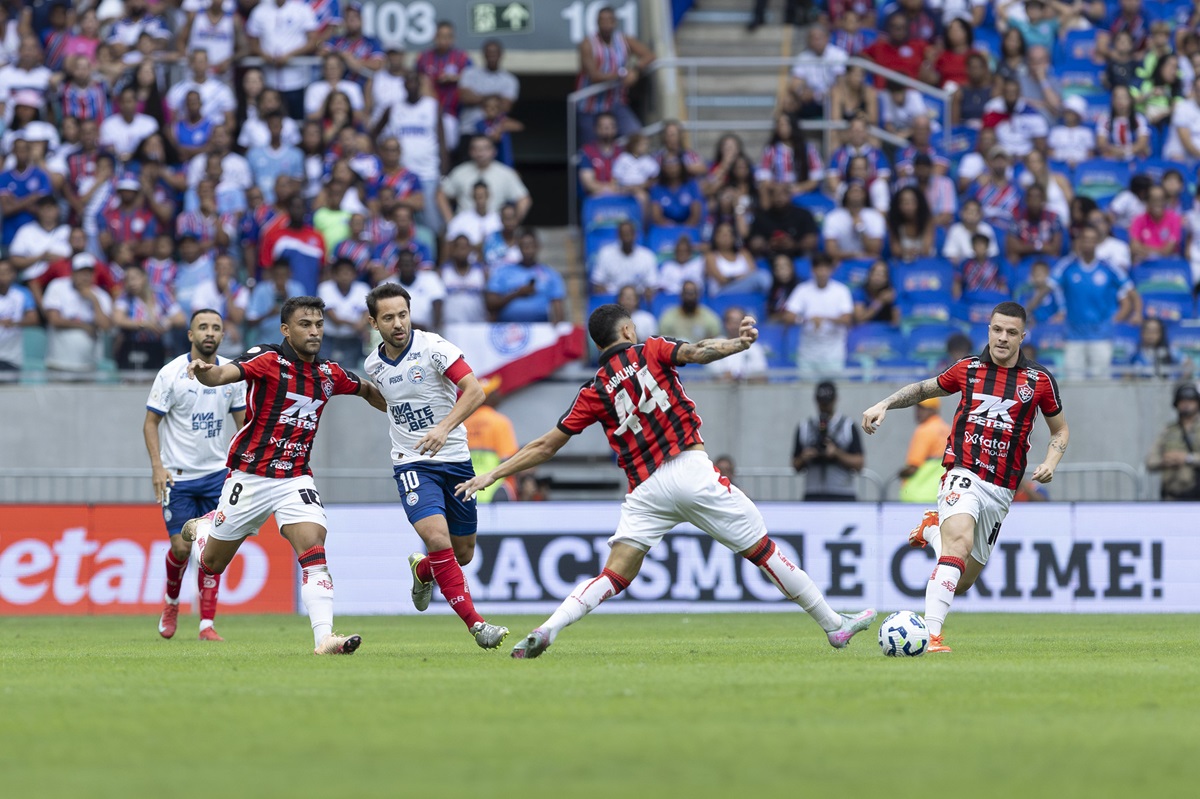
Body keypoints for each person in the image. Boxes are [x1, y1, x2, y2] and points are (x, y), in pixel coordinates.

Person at [454, 304, 876, 658]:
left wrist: (493, 473)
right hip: (690, 469)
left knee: (613, 575)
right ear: (626, 329)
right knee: (764, 551)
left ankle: (548, 629)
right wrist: (739, 345)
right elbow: (699, 351)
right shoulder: (651, 350)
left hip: (646, 491)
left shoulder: (594, 389)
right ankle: (834, 625)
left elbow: (545, 446)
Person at [180, 296, 388, 655]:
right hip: (251, 477)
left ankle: (324, 639)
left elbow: (367, 389)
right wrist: (203, 370)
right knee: (212, 563)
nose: (314, 331)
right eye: (305, 324)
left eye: (319, 324)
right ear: (285, 330)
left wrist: (399, 406)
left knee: (314, 548)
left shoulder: (328, 373)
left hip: (295, 479)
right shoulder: (267, 358)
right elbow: (221, 374)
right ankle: (202, 529)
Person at [862, 301, 1068, 652]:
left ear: (1023, 336)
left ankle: (931, 528)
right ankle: (931, 635)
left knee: (962, 580)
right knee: (958, 544)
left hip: (1002, 489)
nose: (1003, 338)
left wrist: (1051, 461)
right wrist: (884, 403)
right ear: (988, 329)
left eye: (1011, 332)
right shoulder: (968, 369)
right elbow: (923, 389)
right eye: (997, 329)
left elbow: (1060, 431)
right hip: (964, 472)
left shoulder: (1039, 381)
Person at [362, 283, 509, 647]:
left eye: (403, 314)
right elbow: (390, 403)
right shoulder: (373, 364)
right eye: (388, 318)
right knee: (436, 537)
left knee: (463, 553)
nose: (398, 323)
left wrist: (443, 427)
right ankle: (478, 626)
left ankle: (423, 569)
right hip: (411, 461)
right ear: (373, 322)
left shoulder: (435, 348)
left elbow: (474, 391)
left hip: (456, 459)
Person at [144, 310, 247, 642]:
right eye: (203, 327)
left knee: (210, 551)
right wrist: (157, 467)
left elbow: (243, 423)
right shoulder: (171, 373)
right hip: (178, 477)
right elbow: (150, 422)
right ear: (190, 334)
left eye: (216, 328)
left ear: (221, 335)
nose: (210, 333)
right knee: (181, 548)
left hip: (218, 476)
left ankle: (206, 624)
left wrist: (245, 468)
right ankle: (171, 603)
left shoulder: (231, 374)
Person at [1036, 225, 1139, 379]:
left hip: (1101, 336)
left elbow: (1132, 292)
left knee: (1101, 384)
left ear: (1097, 242)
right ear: (1080, 242)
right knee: (1074, 383)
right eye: (1085, 240)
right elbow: (1046, 289)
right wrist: (1026, 311)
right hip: (1073, 336)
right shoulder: (1067, 266)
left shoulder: (1109, 267)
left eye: (1092, 240)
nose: (1088, 244)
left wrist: (1136, 312)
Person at [575, 6, 656, 143]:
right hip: (589, 105)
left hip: (615, 102)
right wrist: (623, 73)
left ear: (615, 22)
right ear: (597, 23)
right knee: (591, 147)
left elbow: (649, 55)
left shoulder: (624, 40)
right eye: (602, 20)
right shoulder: (587, 44)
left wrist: (635, 69)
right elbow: (595, 76)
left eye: (609, 20)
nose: (606, 24)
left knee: (636, 137)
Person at [782, 253, 854, 376]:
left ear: (831, 270)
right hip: (808, 352)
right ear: (813, 270)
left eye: (825, 268)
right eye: (819, 268)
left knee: (834, 390)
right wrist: (806, 320)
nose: (822, 272)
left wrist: (823, 319)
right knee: (806, 391)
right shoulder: (802, 290)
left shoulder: (841, 291)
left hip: (833, 352)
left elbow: (847, 319)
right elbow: (788, 316)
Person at [43, 253, 112, 376]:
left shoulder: (101, 295)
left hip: (88, 366)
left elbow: (105, 326)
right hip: (58, 364)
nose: (85, 277)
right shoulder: (57, 286)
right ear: (73, 273)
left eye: (88, 272)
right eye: (81, 272)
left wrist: (94, 300)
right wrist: (84, 326)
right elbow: (54, 320)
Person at [793, 381, 863, 501]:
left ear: (835, 399)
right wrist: (805, 456)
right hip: (813, 492)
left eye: (827, 402)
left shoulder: (848, 426)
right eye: (821, 402)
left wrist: (837, 453)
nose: (824, 406)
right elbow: (795, 464)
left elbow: (859, 463)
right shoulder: (804, 426)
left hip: (842, 493)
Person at [485, 228, 566, 324]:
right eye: (524, 245)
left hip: (540, 330)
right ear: (518, 247)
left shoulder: (550, 274)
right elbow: (490, 303)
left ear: (538, 246)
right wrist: (517, 293)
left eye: (531, 245)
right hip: (507, 331)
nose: (528, 249)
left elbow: (558, 309)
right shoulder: (503, 272)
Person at [1146, 383, 1200, 500]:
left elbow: (1189, 458)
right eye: (1182, 400)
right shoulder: (1168, 431)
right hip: (1171, 497)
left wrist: (1187, 458)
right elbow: (1150, 461)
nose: (1186, 403)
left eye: (1191, 400)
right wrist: (1164, 461)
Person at [898, 397, 951, 503]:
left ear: (934, 410)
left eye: (923, 409)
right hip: (942, 493)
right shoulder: (947, 429)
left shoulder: (924, 430)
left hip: (919, 495)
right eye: (917, 408)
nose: (918, 412)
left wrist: (900, 474)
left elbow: (913, 466)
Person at [591, 219, 658, 298]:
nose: (626, 237)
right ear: (618, 235)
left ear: (635, 235)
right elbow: (597, 283)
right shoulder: (605, 253)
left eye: (629, 234)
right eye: (623, 234)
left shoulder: (647, 256)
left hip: (638, 300)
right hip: (612, 300)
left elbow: (651, 285)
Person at [706, 306, 768, 382]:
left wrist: (743, 379)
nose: (735, 326)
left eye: (738, 322)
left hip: (749, 391)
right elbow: (712, 376)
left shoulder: (755, 347)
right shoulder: (714, 344)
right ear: (725, 323)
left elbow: (762, 377)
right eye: (732, 322)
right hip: (719, 391)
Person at [0, 258, 38, 375]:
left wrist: (14, 323)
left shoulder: (22, 293)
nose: (3, 276)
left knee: (12, 392)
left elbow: (33, 318)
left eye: (7, 272)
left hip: (13, 357)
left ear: (13, 274)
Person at [658, 280, 722, 342]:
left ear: (698, 296)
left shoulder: (709, 318)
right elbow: (662, 341)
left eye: (692, 293)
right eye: (687, 293)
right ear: (681, 295)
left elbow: (715, 339)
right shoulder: (669, 316)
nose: (689, 297)